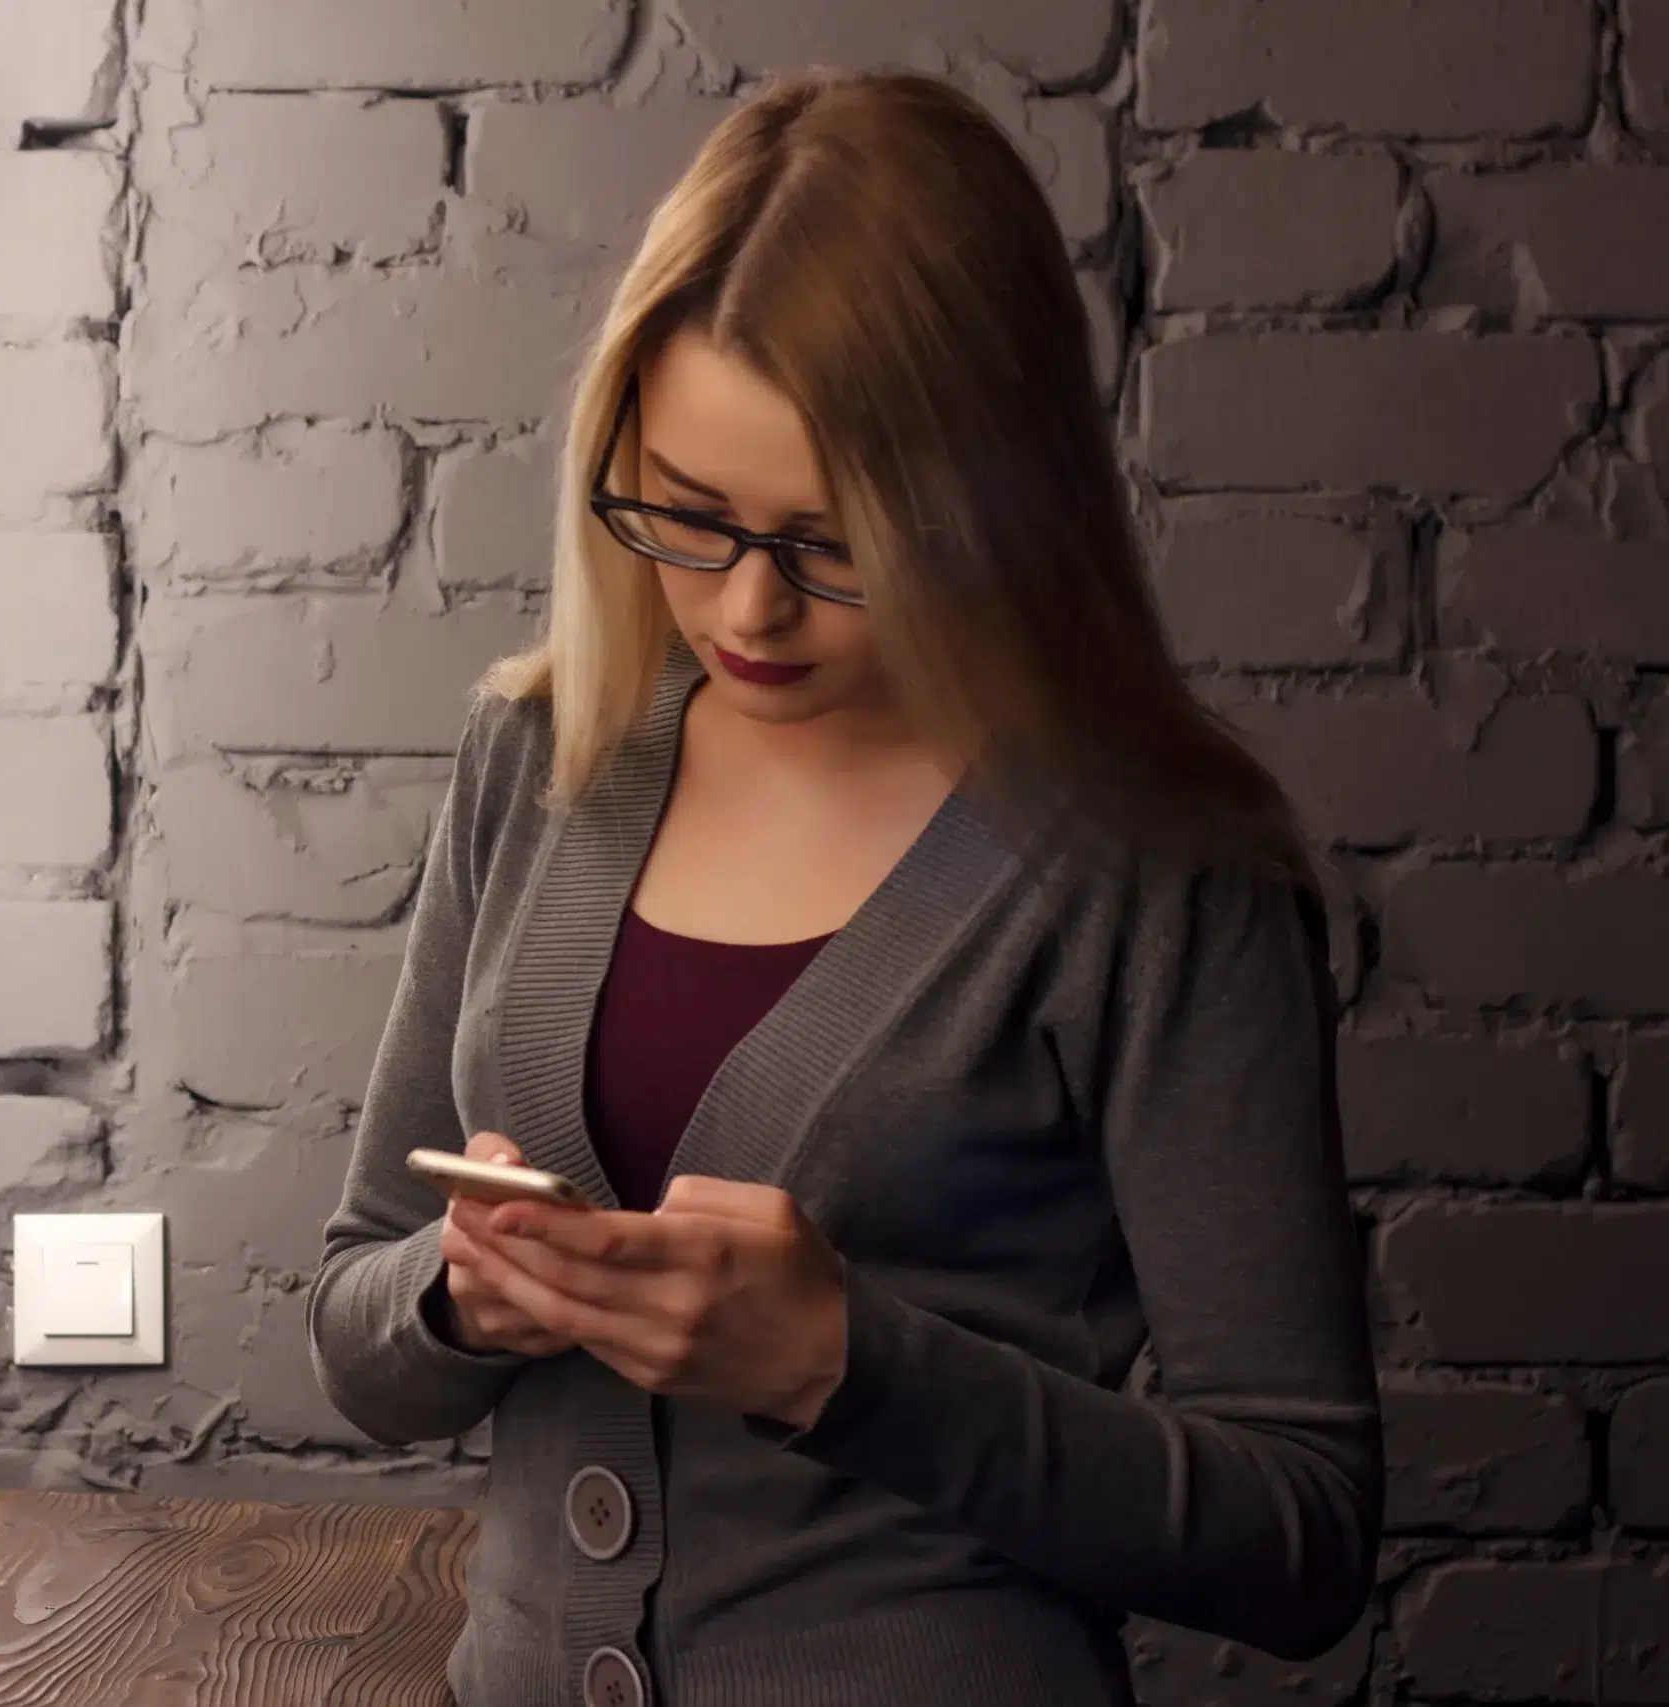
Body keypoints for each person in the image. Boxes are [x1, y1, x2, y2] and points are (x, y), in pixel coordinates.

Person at [305, 67, 1383, 1707]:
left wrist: (847, 1364)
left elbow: (1300, 1535)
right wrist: (456, 1295)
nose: (747, 607)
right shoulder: (539, 758)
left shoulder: (1159, 870)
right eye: (690, 513)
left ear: (994, 505)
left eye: (834, 540)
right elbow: (353, 1323)